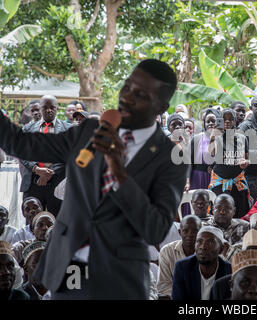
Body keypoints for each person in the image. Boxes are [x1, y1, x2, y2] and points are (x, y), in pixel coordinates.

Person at [0, 59, 188, 299]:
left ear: (161, 106)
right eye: (128, 86)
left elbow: (156, 229)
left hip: (121, 276)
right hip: (70, 265)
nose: (127, 97)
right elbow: (22, 143)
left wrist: (119, 172)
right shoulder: (90, 131)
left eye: (140, 94)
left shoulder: (169, 157)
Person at [19, 96, 72, 215]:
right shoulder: (28, 129)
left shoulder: (68, 129)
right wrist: (36, 169)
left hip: (58, 184)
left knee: (59, 221)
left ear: (57, 108)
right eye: (45, 107)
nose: (49, 110)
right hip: (33, 183)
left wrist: (47, 173)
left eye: (52, 107)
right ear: (40, 108)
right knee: (31, 221)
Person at [209, 109, 251, 218]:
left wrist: (245, 163)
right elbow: (211, 153)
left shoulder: (242, 138)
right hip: (219, 182)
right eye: (224, 119)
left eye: (230, 119)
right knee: (220, 213)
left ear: (235, 121)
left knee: (239, 212)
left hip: (237, 182)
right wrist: (213, 136)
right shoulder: (217, 136)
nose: (227, 122)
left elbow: (247, 158)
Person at [171, 226, 231, 300]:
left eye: (210, 242)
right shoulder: (182, 267)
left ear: (221, 249)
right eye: (199, 241)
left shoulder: (229, 270)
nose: (203, 247)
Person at [157, 215, 202, 299]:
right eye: (185, 230)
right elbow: (164, 285)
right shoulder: (167, 251)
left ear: (201, 232)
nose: (190, 234)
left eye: (195, 230)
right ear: (179, 232)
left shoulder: (208, 251)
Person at [187, 108, 220, 192]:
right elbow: (188, 162)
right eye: (208, 121)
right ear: (204, 124)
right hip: (198, 177)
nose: (211, 123)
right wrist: (187, 181)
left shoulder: (222, 139)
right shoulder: (197, 138)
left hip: (216, 179)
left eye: (213, 121)